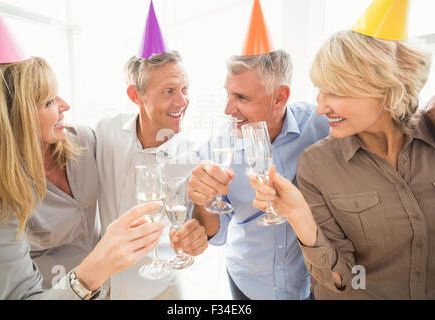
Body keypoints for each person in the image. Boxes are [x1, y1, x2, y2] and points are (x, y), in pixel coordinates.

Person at [249, 29, 434, 299]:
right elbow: (342, 280)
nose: (321, 107)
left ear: (385, 87)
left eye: (335, 92)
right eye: (320, 91)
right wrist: (299, 215)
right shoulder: (317, 165)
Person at [0, 57, 165, 300]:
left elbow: (132, 152)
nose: (65, 105)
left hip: (113, 289)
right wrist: (92, 272)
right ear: (15, 118)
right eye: (49, 102)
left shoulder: (81, 139)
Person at [187, 50, 330, 300]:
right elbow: (214, 231)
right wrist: (203, 200)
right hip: (249, 281)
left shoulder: (320, 126)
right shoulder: (216, 146)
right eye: (228, 94)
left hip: (310, 281)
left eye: (241, 97)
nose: (228, 109)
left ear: (280, 97)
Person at [96, 50, 209, 300]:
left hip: (158, 287)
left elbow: (196, 221)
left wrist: (195, 235)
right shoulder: (106, 132)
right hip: (102, 286)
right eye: (169, 91)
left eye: (185, 89)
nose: (182, 102)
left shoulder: (189, 154)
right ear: (135, 95)